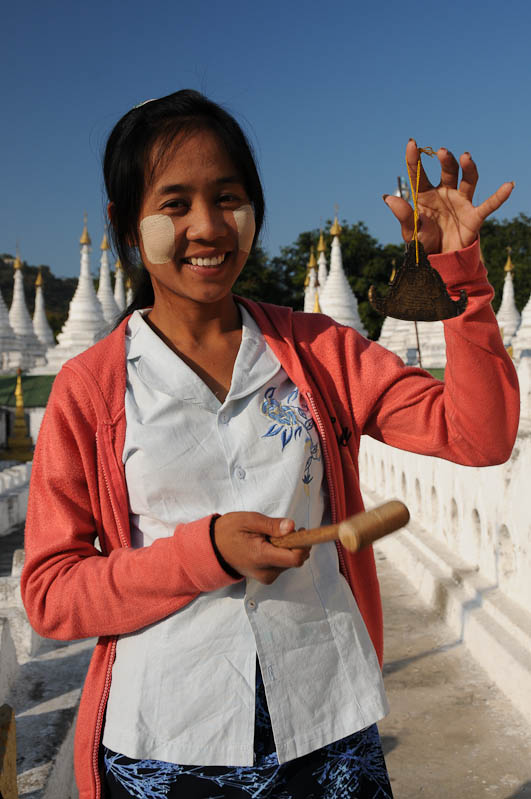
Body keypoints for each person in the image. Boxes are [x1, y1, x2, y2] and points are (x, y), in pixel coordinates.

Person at [21, 90, 519, 799]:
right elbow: (51, 592)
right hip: (169, 738)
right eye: (174, 203)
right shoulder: (89, 388)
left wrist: (460, 273)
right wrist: (205, 552)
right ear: (125, 225)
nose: (206, 226)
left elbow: (479, 435)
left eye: (227, 197)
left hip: (326, 721)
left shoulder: (318, 351)